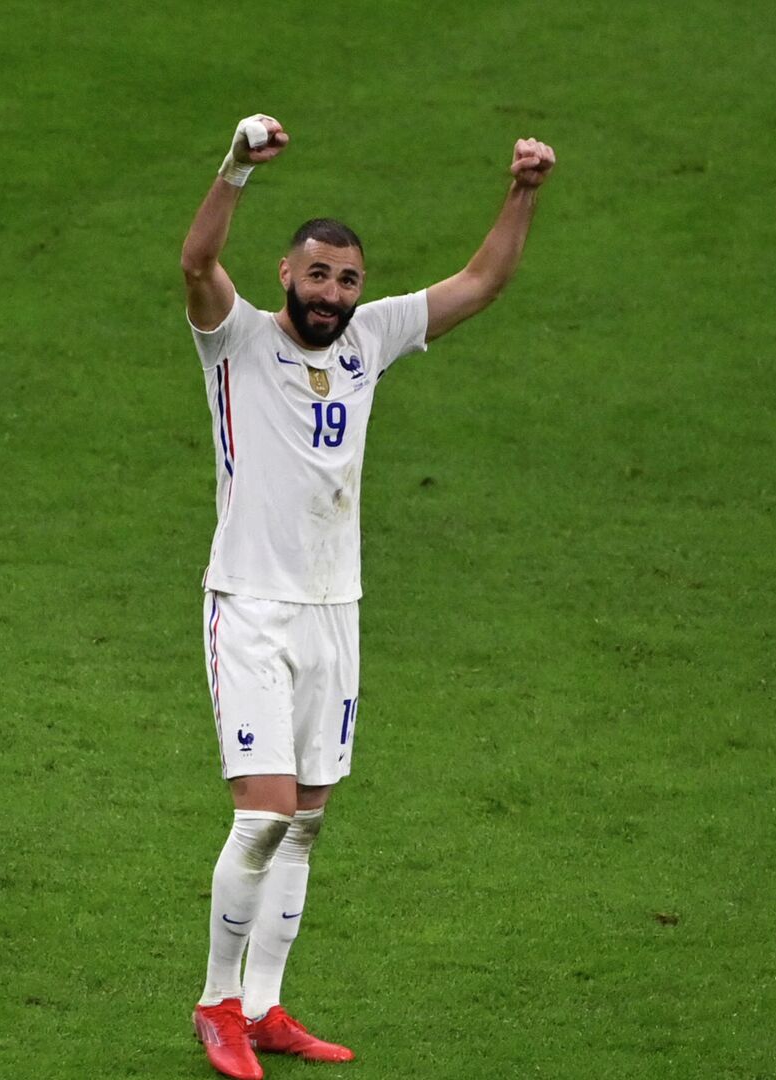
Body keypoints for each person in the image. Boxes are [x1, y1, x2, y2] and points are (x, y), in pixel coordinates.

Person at [180, 114, 555, 1080]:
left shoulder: (372, 337)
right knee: (261, 814)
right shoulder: (236, 343)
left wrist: (523, 191)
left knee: (305, 817)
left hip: (334, 610)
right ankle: (217, 1003)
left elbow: (483, 283)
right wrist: (235, 170)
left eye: (347, 280)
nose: (334, 294)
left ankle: (265, 1008)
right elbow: (194, 262)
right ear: (285, 277)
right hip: (250, 606)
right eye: (318, 276)